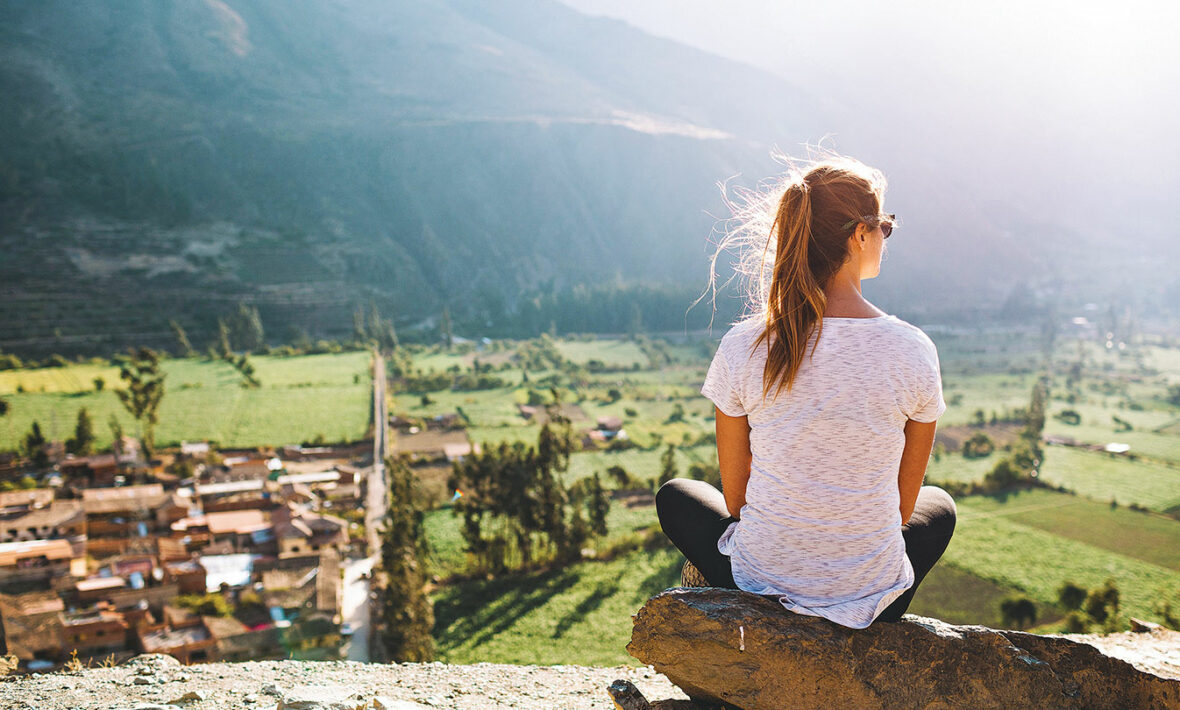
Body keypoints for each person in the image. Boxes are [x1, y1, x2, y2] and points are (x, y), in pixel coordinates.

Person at [657, 154, 956, 629]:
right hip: (876, 598)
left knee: (677, 495)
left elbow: (737, 504)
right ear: (860, 233)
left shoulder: (745, 344)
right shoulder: (913, 349)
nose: (886, 238)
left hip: (761, 589)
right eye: (886, 227)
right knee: (938, 505)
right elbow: (901, 509)